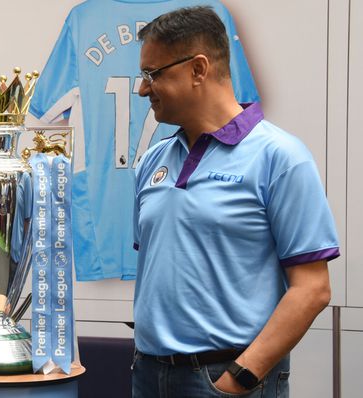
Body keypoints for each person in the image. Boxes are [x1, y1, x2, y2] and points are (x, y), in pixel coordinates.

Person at [132, 6, 339, 397]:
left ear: (198, 69)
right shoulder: (152, 160)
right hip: (148, 374)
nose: (143, 89)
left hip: (226, 378)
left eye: (152, 74)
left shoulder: (280, 157)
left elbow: (312, 288)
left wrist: (240, 378)